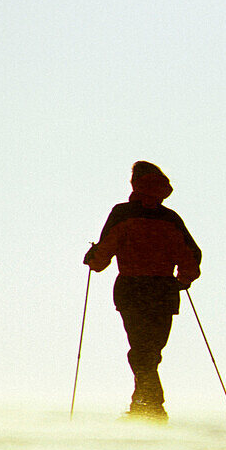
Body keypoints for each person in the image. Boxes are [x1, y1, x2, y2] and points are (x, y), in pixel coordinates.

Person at [84, 161, 202, 423]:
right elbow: (191, 255)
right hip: (164, 290)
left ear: (135, 184)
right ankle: (145, 407)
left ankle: (151, 406)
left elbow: (103, 254)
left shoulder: (123, 214)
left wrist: (92, 259)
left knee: (140, 349)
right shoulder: (170, 219)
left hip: (132, 288)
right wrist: (183, 280)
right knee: (151, 351)